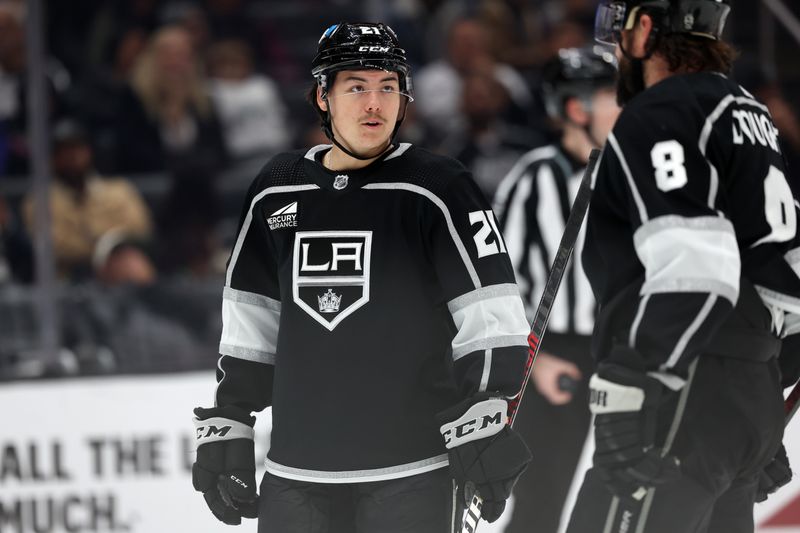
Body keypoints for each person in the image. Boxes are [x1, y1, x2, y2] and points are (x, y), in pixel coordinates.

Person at [191, 21, 533, 533]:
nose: (374, 103)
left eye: (387, 87)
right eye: (356, 87)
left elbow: (491, 311)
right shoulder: (276, 189)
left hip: (413, 471)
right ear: (322, 97)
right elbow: (250, 318)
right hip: (296, 473)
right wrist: (231, 418)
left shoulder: (438, 187)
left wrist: (486, 410)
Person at [565, 1, 800, 532]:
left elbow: (696, 266)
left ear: (645, 28)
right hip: (742, 395)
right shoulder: (750, 113)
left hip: (678, 392)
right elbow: (789, 269)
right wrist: (760, 396)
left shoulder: (663, 110)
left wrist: (635, 381)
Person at [493, 46, 620, 533]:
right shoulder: (532, 178)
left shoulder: (630, 172)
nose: (624, 109)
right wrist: (534, 359)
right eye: (612, 97)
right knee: (542, 500)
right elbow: (494, 281)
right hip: (552, 355)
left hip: (619, 353)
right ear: (575, 109)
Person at [22, 119, 152, 280]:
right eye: (65, 150)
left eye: (78, 148)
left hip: (122, 274)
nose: (73, 156)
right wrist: (102, 246)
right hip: (70, 283)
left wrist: (107, 247)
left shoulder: (120, 191)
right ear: (53, 158)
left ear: (89, 151)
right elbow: (53, 247)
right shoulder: (39, 201)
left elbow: (140, 229)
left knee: (134, 265)